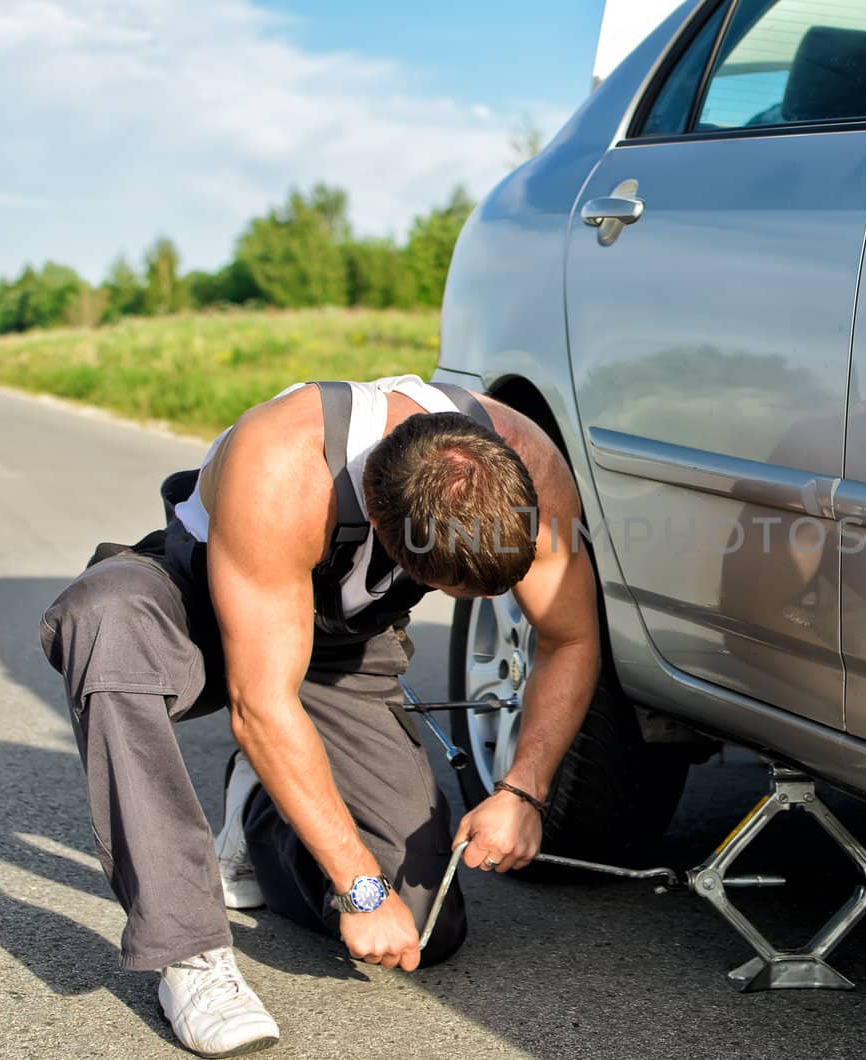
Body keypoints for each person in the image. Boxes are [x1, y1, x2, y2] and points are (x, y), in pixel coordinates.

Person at [39, 376, 599, 1057]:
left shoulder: (527, 458)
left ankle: (260, 809)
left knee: (425, 929)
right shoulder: (283, 462)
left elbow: (569, 636)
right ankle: (188, 953)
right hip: (203, 607)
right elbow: (260, 703)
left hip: (342, 640)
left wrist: (524, 788)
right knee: (107, 625)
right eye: (448, 589)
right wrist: (361, 890)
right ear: (389, 539)